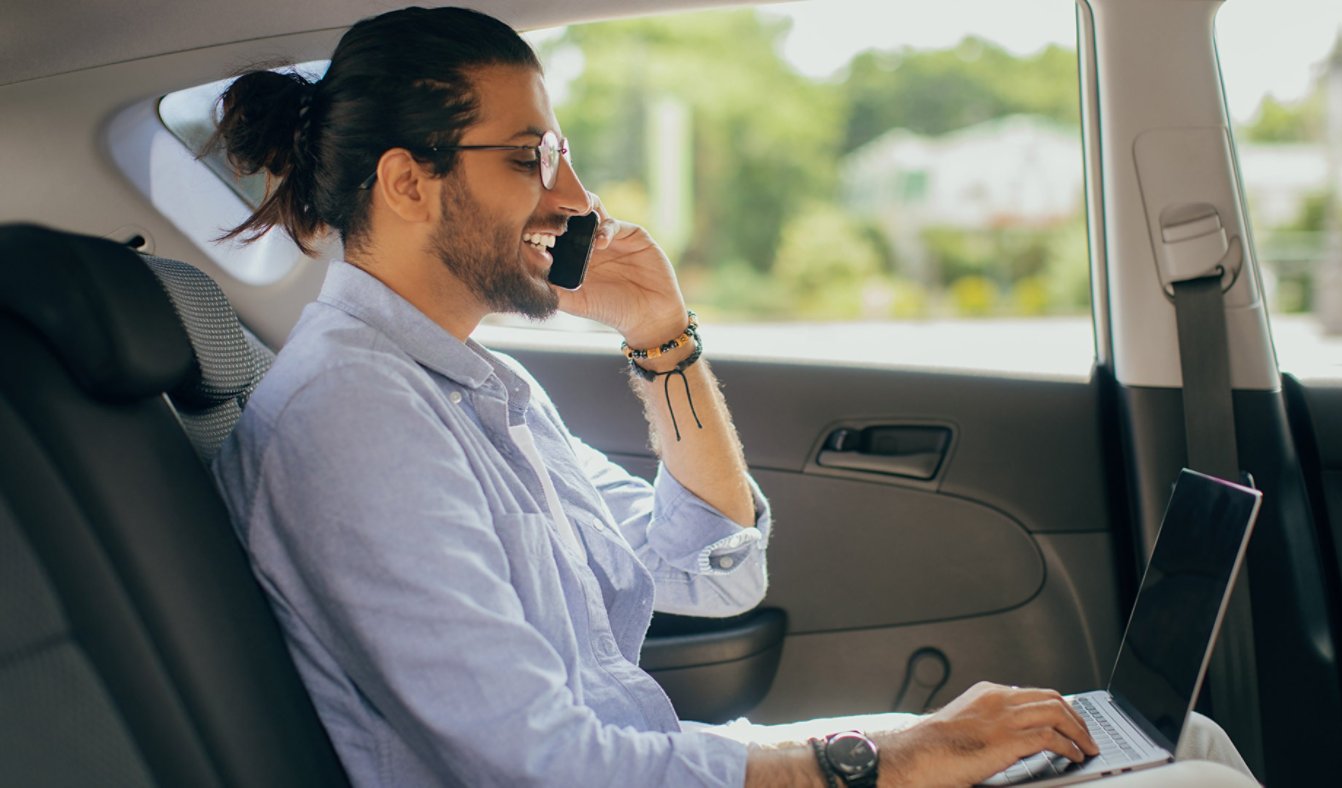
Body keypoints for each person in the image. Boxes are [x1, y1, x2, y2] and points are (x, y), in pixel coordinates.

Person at [210, 7, 1255, 787]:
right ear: (406, 183)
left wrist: (661, 339)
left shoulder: (480, 385)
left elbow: (707, 566)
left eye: (563, 154)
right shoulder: (352, 418)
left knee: (1172, 741)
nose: (576, 200)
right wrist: (891, 753)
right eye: (532, 158)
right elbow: (541, 763)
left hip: (653, 762)